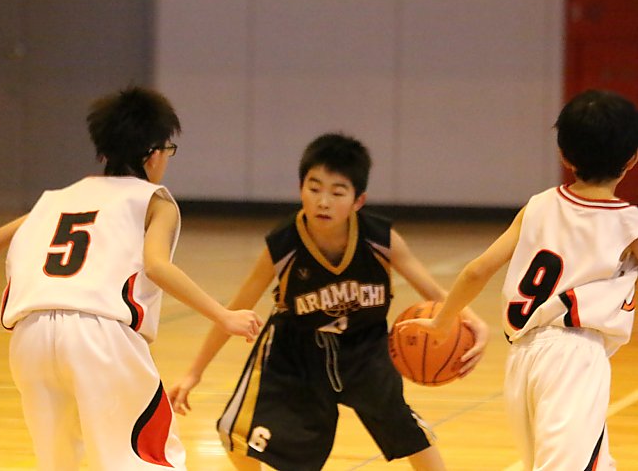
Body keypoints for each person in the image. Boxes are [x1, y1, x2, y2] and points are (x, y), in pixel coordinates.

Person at [0, 85, 264, 471]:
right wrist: (223, 315)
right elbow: (157, 266)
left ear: (103, 151)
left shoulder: (56, 198)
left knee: (58, 463)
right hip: (99, 337)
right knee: (143, 458)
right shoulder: (154, 200)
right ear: (153, 153)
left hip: (31, 337)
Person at [169, 133, 488, 471]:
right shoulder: (284, 245)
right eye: (314, 188)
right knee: (237, 434)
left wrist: (473, 321)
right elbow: (233, 311)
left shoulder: (380, 239)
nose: (323, 201)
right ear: (300, 189)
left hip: (366, 350)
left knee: (405, 429)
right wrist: (193, 373)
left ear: (358, 201)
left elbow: (434, 292)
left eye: (337, 193)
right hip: (296, 354)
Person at [399, 89, 638, 470]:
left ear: (564, 155)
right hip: (575, 357)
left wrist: (443, 320)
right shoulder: (629, 224)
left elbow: (477, 270)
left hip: (523, 357)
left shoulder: (538, 206)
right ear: (632, 159)